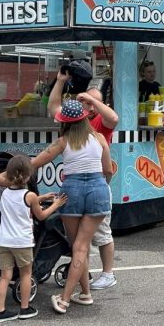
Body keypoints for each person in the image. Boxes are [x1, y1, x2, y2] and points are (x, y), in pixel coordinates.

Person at [32, 99, 114, 313]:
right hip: (98, 189)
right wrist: (100, 187)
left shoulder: (63, 142)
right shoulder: (99, 139)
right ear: (85, 118)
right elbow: (108, 171)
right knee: (82, 245)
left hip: (72, 192)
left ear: (65, 122)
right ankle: (85, 293)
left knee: (77, 246)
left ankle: (65, 299)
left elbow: (36, 162)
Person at [47, 73, 120, 291]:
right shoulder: (73, 121)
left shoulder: (100, 123)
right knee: (80, 239)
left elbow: (114, 119)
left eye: (92, 101)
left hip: (96, 181)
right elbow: (53, 108)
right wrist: (60, 81)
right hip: (78, 183)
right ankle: (83, 279)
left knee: (102, 232)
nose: (86, 104)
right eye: (85, 100)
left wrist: (93, 102)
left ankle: (108, 274)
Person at [0, 155, 67, 322]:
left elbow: (20, 201)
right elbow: (41, 215)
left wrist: (43, 197)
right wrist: (55, 204)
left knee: (5, 277)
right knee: (26, 274)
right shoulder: (30, 195)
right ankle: (24, 308)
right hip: (22, 242)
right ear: (27, 176)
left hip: (3, 241)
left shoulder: (4, 194)